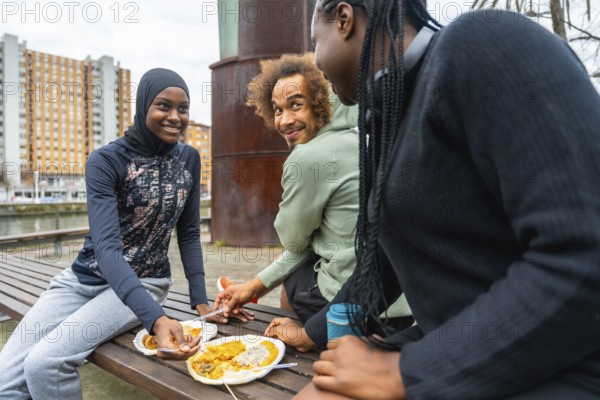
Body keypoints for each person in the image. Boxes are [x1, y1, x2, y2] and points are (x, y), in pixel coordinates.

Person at [294, 1, 600, 399]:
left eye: (315, 41)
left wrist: (404, 373)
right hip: (460, 341)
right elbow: (386, 264)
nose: (315, 60)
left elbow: (584, 254)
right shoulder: (388, 121)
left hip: (558, 359)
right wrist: (311, 332)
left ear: (344, 19)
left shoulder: (482, 44)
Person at [0, 68, 249, 400]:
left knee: (45, 365)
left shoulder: (189, 159)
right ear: (144, 105)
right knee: (5, 384)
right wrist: (158, 322)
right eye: (164, 106)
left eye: (183, 108)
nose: (175, 117)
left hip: (145, 282)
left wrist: (199, 301)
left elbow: (188, 233)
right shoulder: (106, 161)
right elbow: (106, 250)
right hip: (82, 280)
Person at [216, 53, 412, 352]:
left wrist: (254, 286)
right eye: (277, 110)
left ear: (321, 102)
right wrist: (252, 287)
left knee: (297, 273)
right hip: (397, 307)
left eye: (296, 104)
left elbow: (295, 244)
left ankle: (300, 339)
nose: (284, 120)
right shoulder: (364, 141)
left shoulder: (307, 158)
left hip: (350, 311)